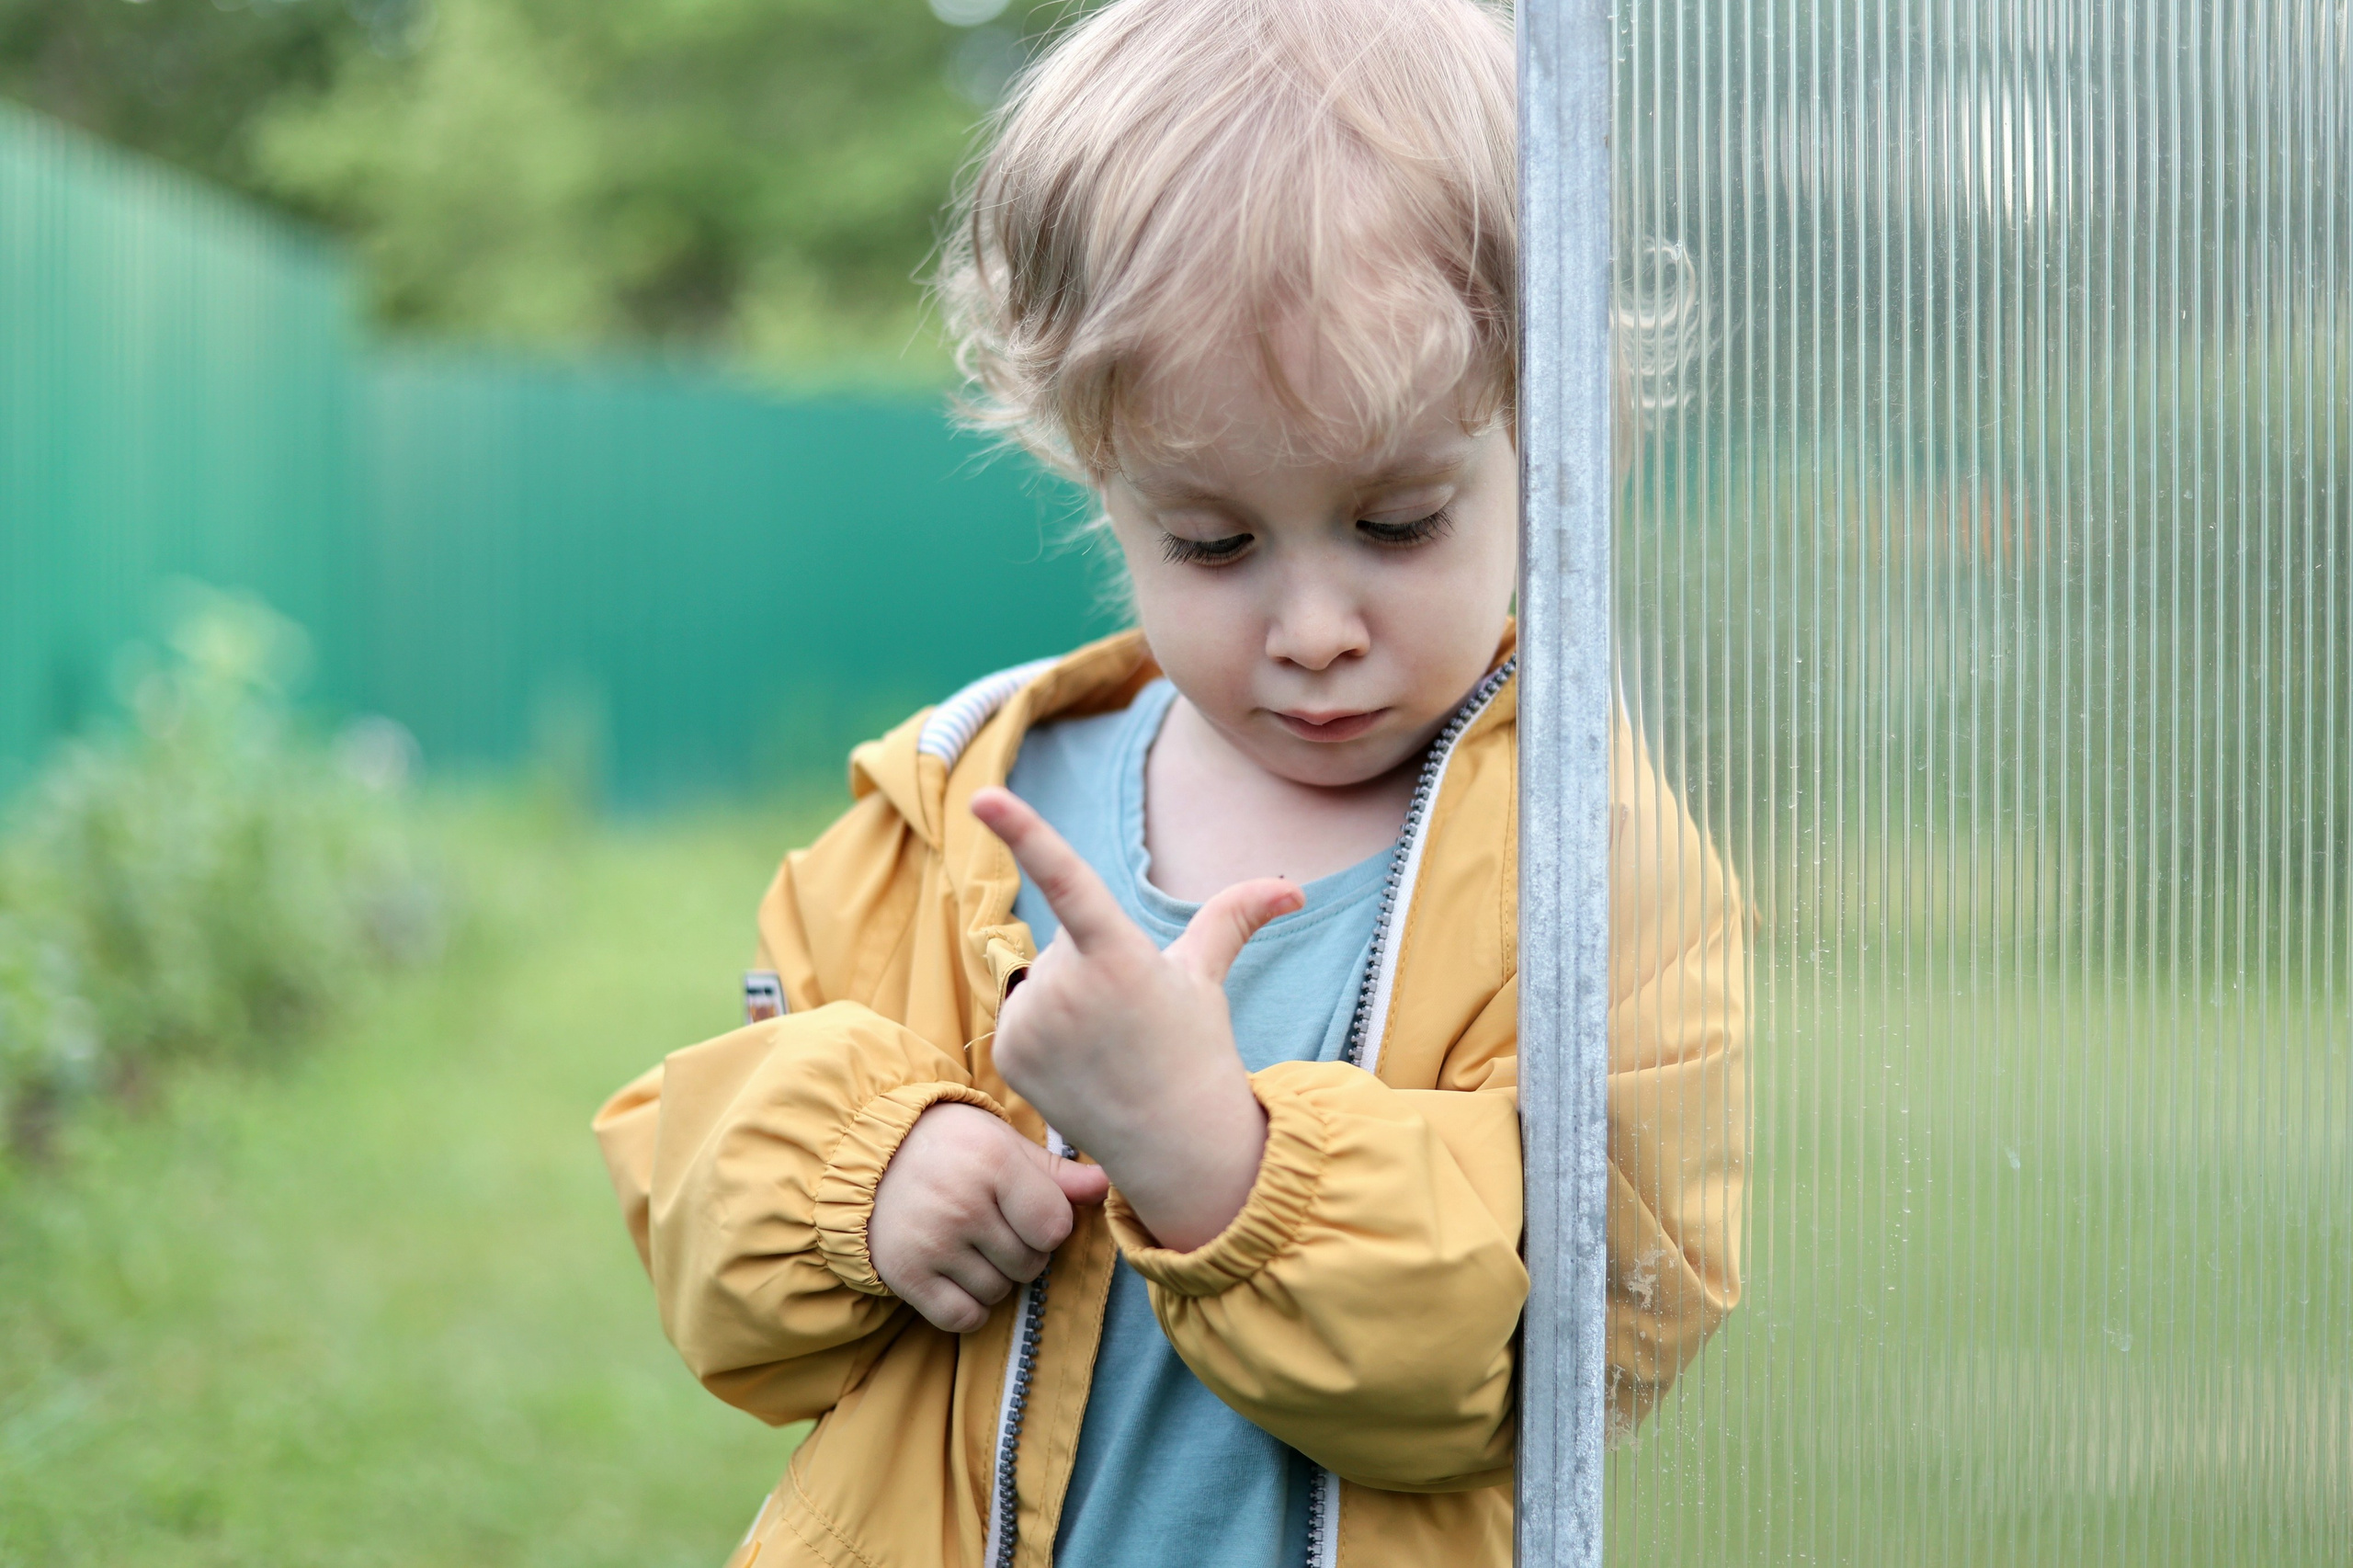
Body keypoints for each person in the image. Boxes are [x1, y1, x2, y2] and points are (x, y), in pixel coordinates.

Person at [591, 1, 1745, 1564]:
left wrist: (1220, 1159)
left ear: (1554, 433)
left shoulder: (1593, 869)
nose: (1317, 630)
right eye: (1213, 542)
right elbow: (711, 1215)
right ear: (1093, 468)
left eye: (1398, 521)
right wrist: (867, 1177)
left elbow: (1583, 1351)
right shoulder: (954, 812)